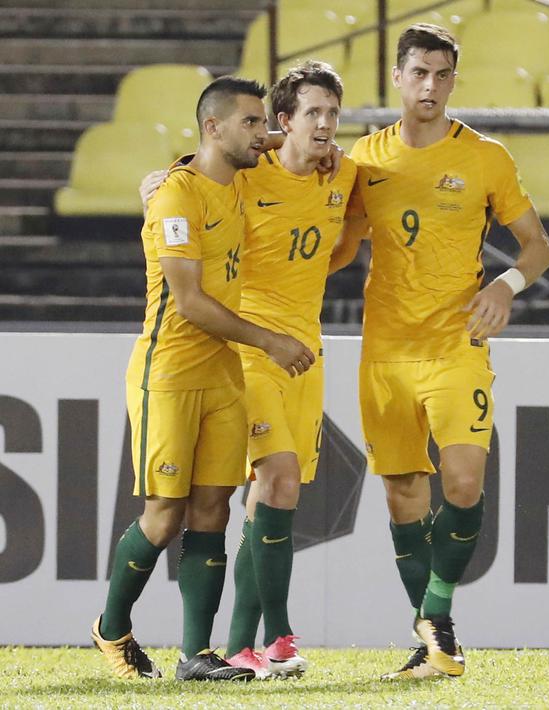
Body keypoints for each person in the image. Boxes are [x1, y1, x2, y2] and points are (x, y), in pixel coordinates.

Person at [330, 23, 549, 680]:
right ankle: (434, 644)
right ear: (397, 77)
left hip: (457, 344)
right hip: (385, 352)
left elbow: (537, 245)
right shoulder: (363, 162)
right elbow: (342, 246)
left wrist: (506, 286)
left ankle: (438, 614)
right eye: (419, 73)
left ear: (453, 81)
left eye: (442, 74)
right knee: (404, 490)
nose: (429, 86)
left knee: (461, 481)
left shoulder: (485, 157)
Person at [92, 76, 316, 683]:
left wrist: (315, 139)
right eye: (250, 122)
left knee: (213, 508)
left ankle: (196, 655)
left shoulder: (239, 176)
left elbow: (282, 141)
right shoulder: (175, 196)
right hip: (168, 373)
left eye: (264, 123)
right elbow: (188, 301)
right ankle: (112, 630)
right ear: (212, 128)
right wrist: (271, 340)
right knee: (165, 514)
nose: (262, 133)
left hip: (223, 375)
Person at [217, 60, 362, 680]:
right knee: (273, 475)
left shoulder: (346, 173)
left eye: (332, 113)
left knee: (279, 493)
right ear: (284, 121)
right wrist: (157, 178)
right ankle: (269, 635)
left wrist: (306, 279)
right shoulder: (250, 173)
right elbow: (197, 165)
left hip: (307, 350)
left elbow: (350, 238)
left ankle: (248, 648)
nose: (326, 124)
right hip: (252, 348)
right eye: (313, 114)